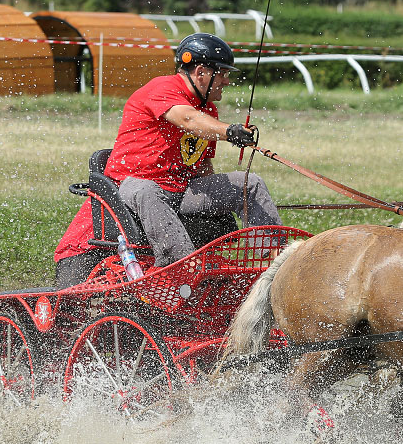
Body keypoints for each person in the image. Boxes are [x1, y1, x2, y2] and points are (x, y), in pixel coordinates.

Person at [54, 33, 281, 287]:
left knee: (249, 184)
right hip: (127, 189)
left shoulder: (208, 111)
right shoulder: (164, 88)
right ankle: (181, 270)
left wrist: (220, 202)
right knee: (147, 191)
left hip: (179, 193)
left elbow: (203, 167)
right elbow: (187, 120)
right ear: (202, 72)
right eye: (223, 74)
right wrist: (229, 131)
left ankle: (275, 264)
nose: (226, 81)